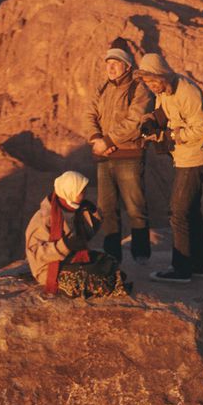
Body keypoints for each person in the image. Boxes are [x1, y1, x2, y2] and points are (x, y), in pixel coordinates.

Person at [134, 53, 203, 283]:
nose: (151, 88)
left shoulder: (188, 92)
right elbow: (165, 113)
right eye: (147, 83)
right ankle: (200, 264)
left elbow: (202, 129)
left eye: (153, 82)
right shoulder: (164, 90)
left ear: (163, 75)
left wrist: (171, 136)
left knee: (178, 212)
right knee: (191, 210)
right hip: (186, 156)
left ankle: (181, 269)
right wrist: (151, 120)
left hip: (196, 157)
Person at [85, 37, 154, 263]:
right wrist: (96, 137)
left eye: (116, 63)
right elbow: (89, 115)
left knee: (136, 208)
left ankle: (141, 255)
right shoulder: (103, 88)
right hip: (104, 158)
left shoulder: (139, 88)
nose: (110, 67)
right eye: (108, 63)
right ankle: (112, 256)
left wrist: (108, 140)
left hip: (129, 157)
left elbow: (136, 121)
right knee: (107, 209)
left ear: (127, 66)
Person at [24, 170, 130, 297]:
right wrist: (65, 245)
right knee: (85, 277)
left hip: (71, 259)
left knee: (108, 261)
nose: (85, 194)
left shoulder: (76, 209)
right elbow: (36, 254)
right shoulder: (44, 217)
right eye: (81, 192)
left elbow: (85, 237)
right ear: (70, 191)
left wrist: (94, 215)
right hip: (48, 268)